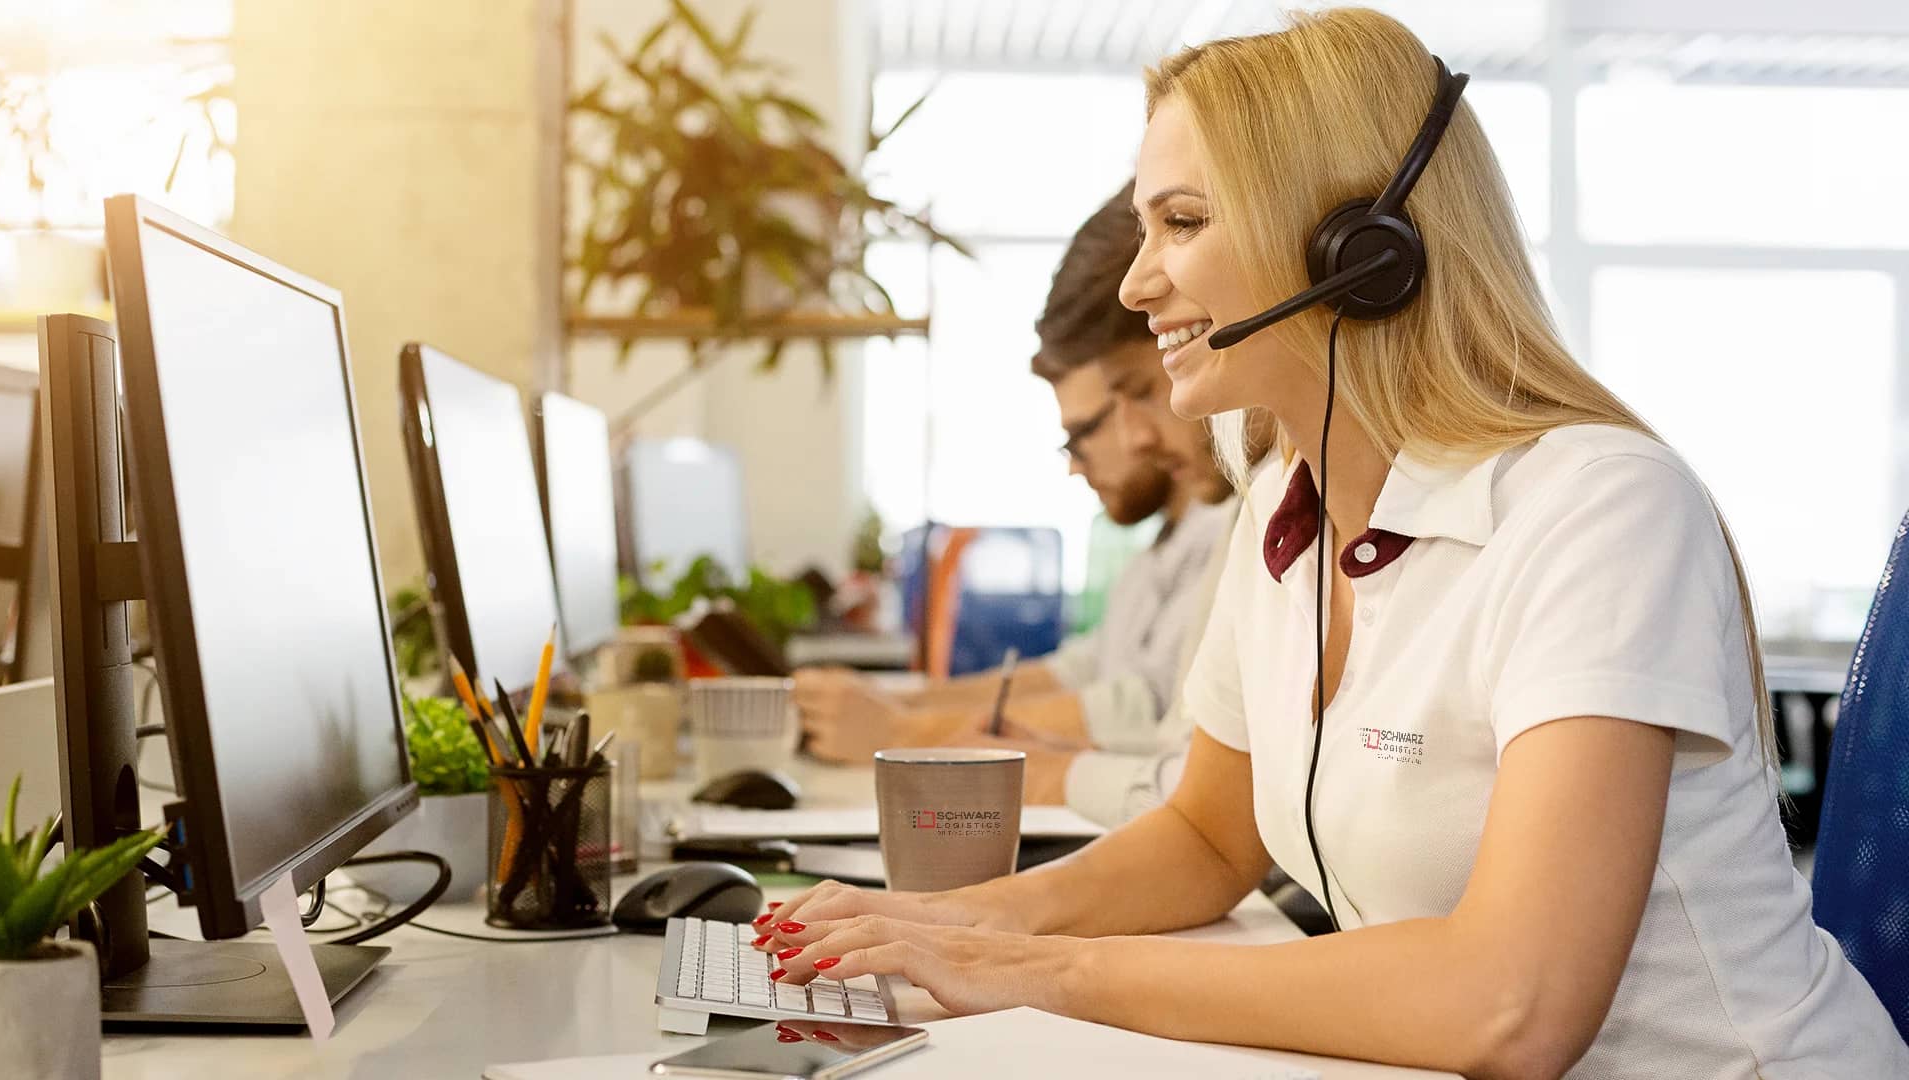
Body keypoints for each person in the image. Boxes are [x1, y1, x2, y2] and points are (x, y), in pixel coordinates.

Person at [751, 12, 1909, 1078]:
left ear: (1364, 248)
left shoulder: (1599, 509)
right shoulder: (1281, 507)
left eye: (1184, 224)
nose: (1143, 281)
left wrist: (1044, 975)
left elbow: (1515, 1001)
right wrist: (961, 923)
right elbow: (1209, 836)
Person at [794, 185, 1231, 770]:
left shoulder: (1231, 517)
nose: (1132, 437)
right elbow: (1089, 669)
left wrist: (906, 730)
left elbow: (1146, 707)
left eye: (1135, 393)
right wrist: (901, 705)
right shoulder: (1180, 531)